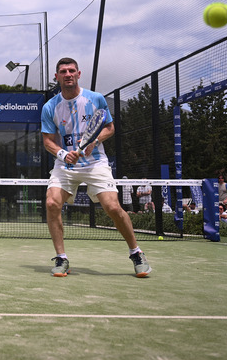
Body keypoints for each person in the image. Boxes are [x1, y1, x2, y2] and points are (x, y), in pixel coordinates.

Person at [41, 57, 150, 278]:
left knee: (112, 207)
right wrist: (63, 154)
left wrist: (95, 141)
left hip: (95, 163)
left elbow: (110, 127)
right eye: (63, 71)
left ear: (78, 74)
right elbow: (48, 141)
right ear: (57, 76)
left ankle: (136, 253)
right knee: (52, 203)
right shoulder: (50, 107)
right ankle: (61, 258)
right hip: (65, 165)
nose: (68, 74)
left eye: (72, 70)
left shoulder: (95, 99)